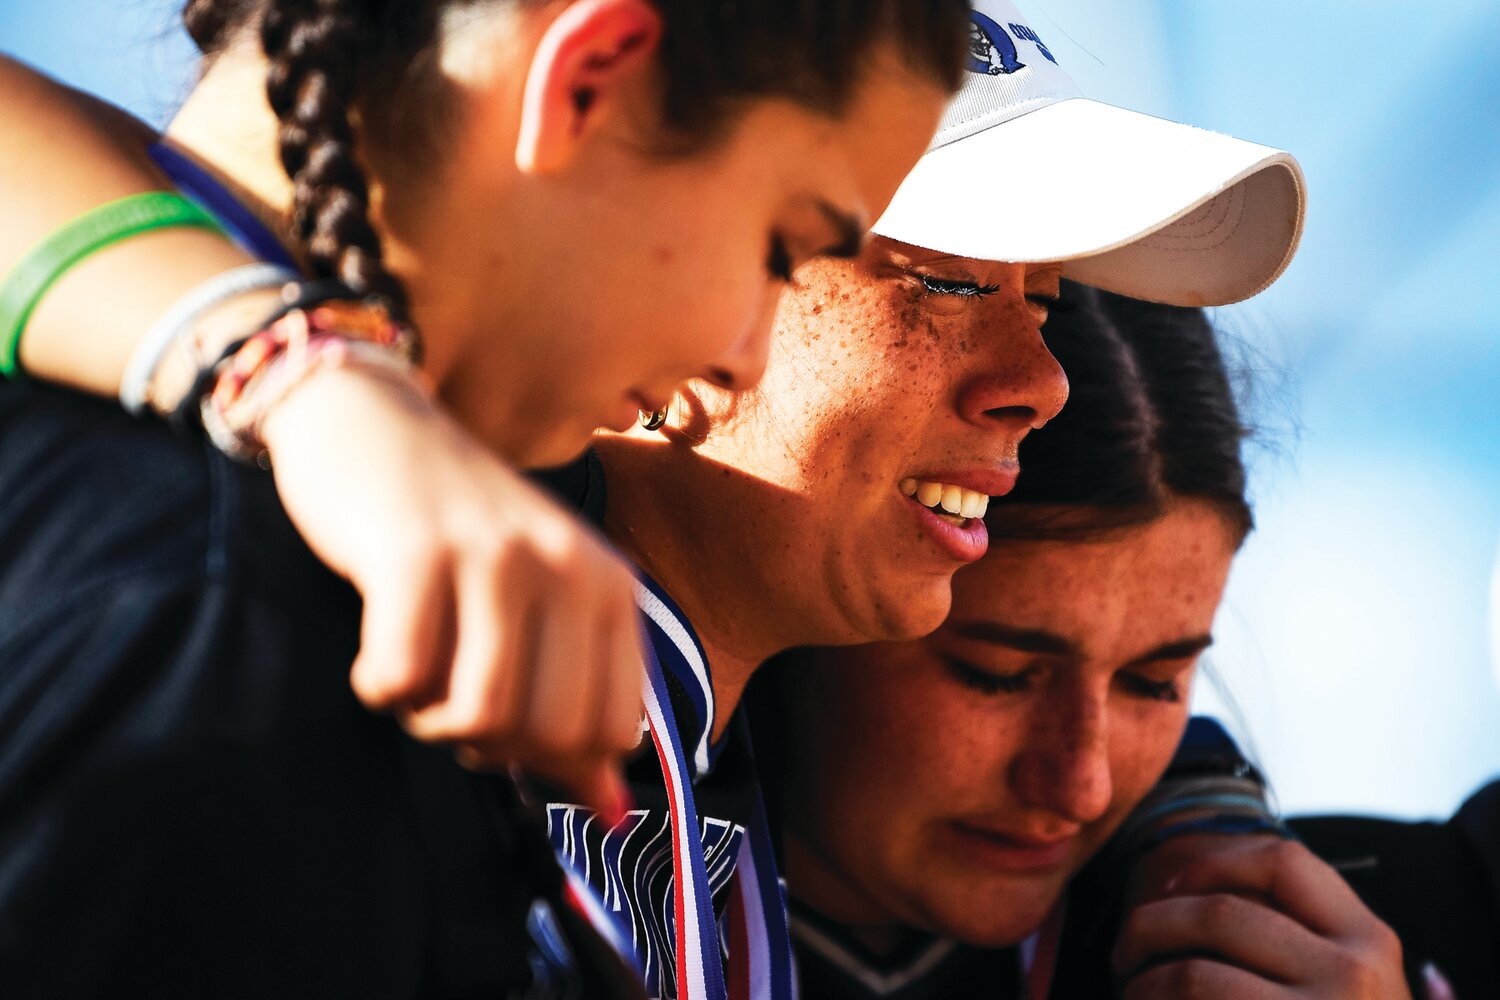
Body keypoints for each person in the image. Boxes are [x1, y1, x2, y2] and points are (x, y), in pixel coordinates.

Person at [0, 3, 1308, 997]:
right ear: (590, 90)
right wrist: (297, 379)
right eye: (793, 238)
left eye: (1048, 301)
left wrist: (1200, 829)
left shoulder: (694, 700)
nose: (1044, 386)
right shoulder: (241, 607)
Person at [756, 286, 1464, 999]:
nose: (1082, 785)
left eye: (1156, 683)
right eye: (998, 675)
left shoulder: (1401, 921)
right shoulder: (645, 921)